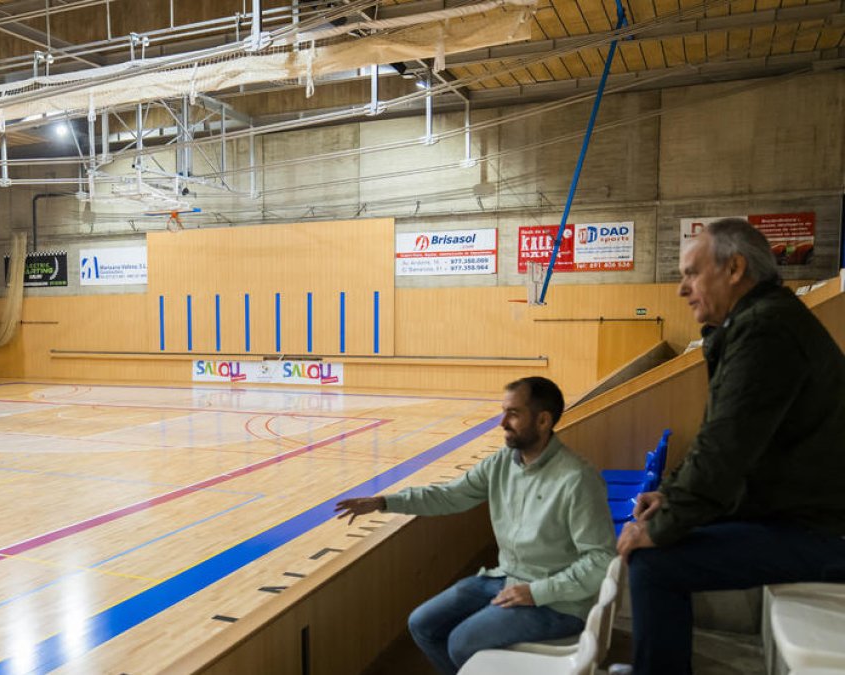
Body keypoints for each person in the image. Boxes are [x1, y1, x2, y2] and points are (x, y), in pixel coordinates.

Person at [616, 218, 845, 675]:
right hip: (803, 515)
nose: (682, 289)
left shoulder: (766, 331)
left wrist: (661, 526)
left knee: (654, 564)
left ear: (735, 268)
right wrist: (671, 494)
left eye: (691, 273)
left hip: (820, 529)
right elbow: (717, 439)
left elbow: (725, 451)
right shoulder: (761, 322)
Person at [335, 376, 615, 674]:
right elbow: (450, 496)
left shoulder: (578, 480)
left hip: (558, 603)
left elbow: (601, 559)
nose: (502, 422)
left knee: (461, 643)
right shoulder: (502, 463)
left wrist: (538, 591)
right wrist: (385, 502)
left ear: (544, 420)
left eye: (514, 414)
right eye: (503, 411)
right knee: (423, 624)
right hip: (505, 577)